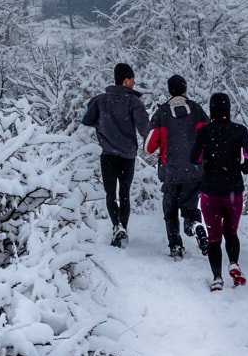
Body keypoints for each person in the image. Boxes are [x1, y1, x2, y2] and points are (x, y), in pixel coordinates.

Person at [190, 92, 248, 292]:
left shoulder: (204, 132)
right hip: (233, 190)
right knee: (231, 232)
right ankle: (234, 263)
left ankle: (217, 278)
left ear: (211, 110)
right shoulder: (239, 131)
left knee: (213, 237)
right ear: (228, 109)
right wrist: (242, 168)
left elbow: (195, 158)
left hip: (210, 190)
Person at [81, 63, 150, 248]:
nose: (134, 85)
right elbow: (146, 129)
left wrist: (102, 126)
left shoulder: (99, 100)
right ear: (126, 81)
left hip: (108, 154)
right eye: (133, 81)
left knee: (110, 193)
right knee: (124, 192)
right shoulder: (134, 102)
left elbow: (85, 119)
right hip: (128, 155)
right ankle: (123, 229)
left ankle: (116, 226)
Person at [146, 74, 210, 260]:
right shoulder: (197, 110)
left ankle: (175, 246)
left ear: (169, 90)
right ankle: (196, 227)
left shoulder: (162, 113)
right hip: (195, 171)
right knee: (190, 208)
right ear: (185, 89)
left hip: (171, 172)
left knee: (170, 210)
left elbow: (148, 146)